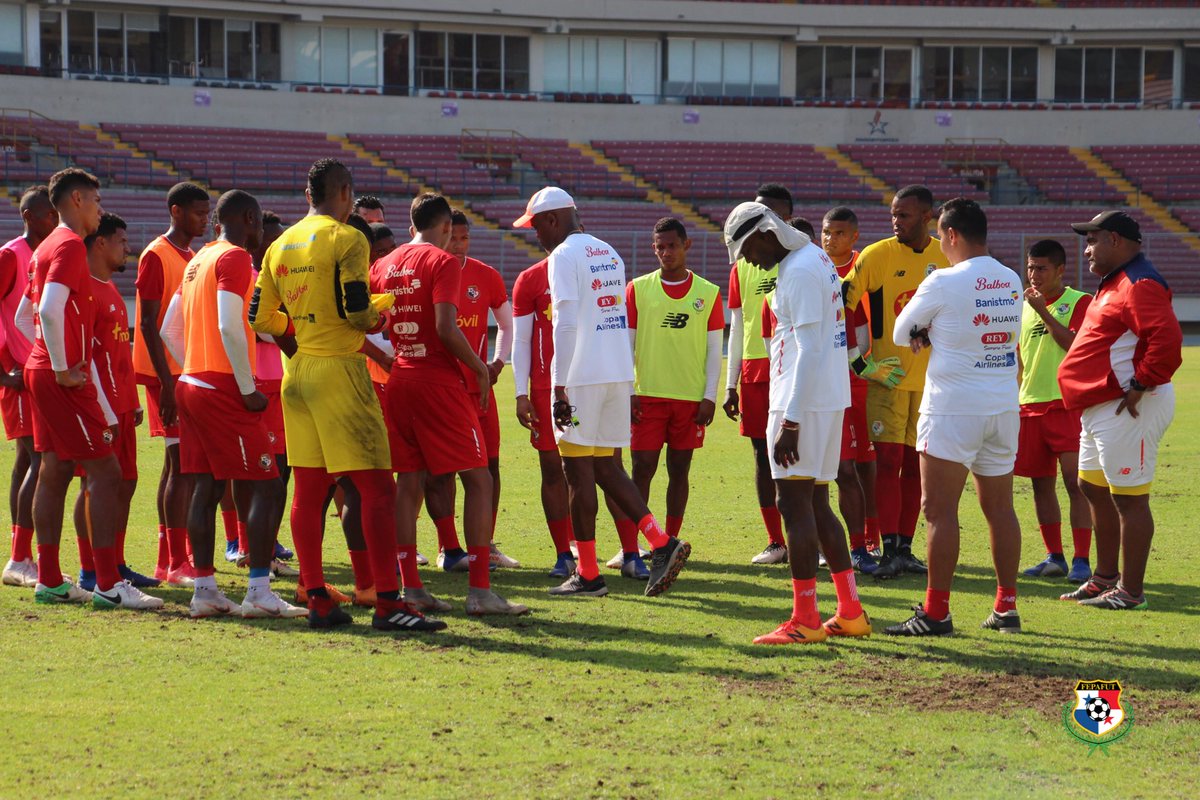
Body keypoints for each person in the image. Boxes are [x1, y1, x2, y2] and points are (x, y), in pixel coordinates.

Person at [250, 158, 425, 632]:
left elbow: (259, 318)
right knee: (377, 490)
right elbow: (357, 312)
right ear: (345, 192)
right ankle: (387, 602)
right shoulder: (347, 237)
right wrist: (382, 315)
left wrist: (302, 325)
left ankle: (317, 599)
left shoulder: (279, 244)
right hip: (339, 371)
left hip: (297, 374)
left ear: (309, 195)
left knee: (308, 491)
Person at [514, 186, 690, 598]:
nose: (536, 234)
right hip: (615, 374)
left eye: (536, 225)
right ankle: (661, 541)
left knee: (577, 475)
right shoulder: (608, 251)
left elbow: (565, 322)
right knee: (609, 469)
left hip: (581, 378)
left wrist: (559, 385)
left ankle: (588, 574)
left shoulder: (562, 255)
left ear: (553, 219)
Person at [722, 202, 869, 645]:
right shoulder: (813, 258)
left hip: (801, 403)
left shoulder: (800, 270)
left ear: (766, 233)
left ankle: (805, 618)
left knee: (793, 505)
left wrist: (791, 419)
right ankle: (850, 611)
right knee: (818, 504)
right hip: (825, 399)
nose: (747, 261)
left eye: (747, 250)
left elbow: (807, 349)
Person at [374, 193, 526, 617]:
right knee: (479, 479)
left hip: (400, 378)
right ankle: (480, 591)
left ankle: (412, 587)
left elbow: (369, 322)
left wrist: (383, 355)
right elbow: (445, 326)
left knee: (409, 482)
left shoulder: (384, 264)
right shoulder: (442, 262)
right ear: (444, 227)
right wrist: (479, 368)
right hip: (438, 382)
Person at [22, 168, 162, 610]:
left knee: (56, 470)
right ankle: (107, 582)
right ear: (77, 200)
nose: (101, 210)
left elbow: (26, 316)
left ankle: (49, 579)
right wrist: (62, 367)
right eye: (97, 201)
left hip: (41, 370)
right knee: (105, 472)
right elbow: (48, 308)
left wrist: (45, 357)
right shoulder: (66, 244)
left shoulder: (45, 247)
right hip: (61, 375)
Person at [160, 190, 303, 619]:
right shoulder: (235, 257)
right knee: (268, 485)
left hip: (192, 382)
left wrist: (194, 368)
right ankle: (258, 591)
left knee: (206, 487)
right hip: (223, 387)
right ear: (248, 219)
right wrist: (244, 386)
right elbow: (228, 323)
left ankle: (205, 590)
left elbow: (170, 330)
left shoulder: (198, 259)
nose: (261, 236)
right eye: (259, 225)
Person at [885, 198, 1023, 636]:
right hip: (1002, 405)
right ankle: (1006, 607)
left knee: (939, 511)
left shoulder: (942, 280)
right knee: (1000, 509)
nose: (940, 246)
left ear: (952, 235)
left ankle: (936, 612)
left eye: (941, 237)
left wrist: (927, 330)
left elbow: (901, 332)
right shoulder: (1011, 277)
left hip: (952, 408)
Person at [1058, 211, 1182, 610]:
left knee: (1130, 499)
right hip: (1101, 404)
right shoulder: (1115, 281)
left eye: (1092, 241)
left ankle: (1131, 592)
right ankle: (1104, 578)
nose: (1087, 250)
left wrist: (1140, 385)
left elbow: (1167, 339)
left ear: (1114, 239)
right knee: (1092, 487)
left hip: (1127, 405)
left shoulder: (1139, 282)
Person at [842, 185, 950, 579]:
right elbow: (843, 302)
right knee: (887, 463)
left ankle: (905, 547)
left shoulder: (946, 256)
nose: (895, 222)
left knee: (915, 467)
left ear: (927, 217)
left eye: (903, 215)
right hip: (888, 381)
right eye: (893, 214)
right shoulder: (876, 255)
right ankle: (887, 548)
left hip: (932, 383)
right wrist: (859, 362)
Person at [421, 209, 518, 571]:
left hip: (479, 391)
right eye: (453, 238)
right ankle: (447, 547)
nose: (458, 245)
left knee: (489, 466)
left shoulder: (485, 275)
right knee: (441, 471)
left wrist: (498, 363)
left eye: (464, 238)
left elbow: (506, 324)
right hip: (441, 389)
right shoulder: (430, 271)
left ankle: (485, 544)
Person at [626, 218, 722, 576]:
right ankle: (634, 545)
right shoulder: (638, 289)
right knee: (641, 469)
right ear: (654, 249)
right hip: (647, 396)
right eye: (660, 247)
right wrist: (628, 390)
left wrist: (709, 396)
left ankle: (670, 542)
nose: (666, 252)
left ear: (686, 246)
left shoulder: (708, 293)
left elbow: (715, 351)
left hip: (689, 399)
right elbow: (626, 345)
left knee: (679, 470)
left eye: (672, 246)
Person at [73, 213, 157, 591]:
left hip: (122, 407)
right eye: (121, 241)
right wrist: (104, 409)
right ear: (101, 243)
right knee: (93, 486)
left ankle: (116, 563)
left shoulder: (110, 289)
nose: (128, 247)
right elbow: (86, 358)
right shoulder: (84, 291)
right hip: (99, 410)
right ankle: (90, 569)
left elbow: (117, 352)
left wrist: (132, 400)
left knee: (125, 483)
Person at [134, 181, 211, 587]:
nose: (205, 219)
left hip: (185, 371)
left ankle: (170, 558)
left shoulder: (193, 256)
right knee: (181, 465)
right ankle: (176, 561)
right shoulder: (156, 254)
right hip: (168, 375)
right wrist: (166, 382)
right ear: (176, 211)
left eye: (208, 212)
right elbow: (148, 323)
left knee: (179, 464)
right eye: (198, 212)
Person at [1015, 240, 1094, 584]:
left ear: (1060, 270)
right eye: (1030, 267)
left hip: (1066, 404)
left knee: (1076, 483)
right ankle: (1054, 557)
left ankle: (1082, 559)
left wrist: (1044, 311)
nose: (1033, 275)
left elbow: (1073, 344)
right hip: (1030, 405)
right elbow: (1021, 359)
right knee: (1040, 484)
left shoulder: (1079, 301)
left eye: (1041, 268)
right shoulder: (1023, 308)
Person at [724, 183, 794, 565]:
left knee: (803, 453)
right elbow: (737, 326)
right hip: (755, 369)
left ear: (786, 217)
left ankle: (808, 536)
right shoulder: (743, 264)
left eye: (770, 213)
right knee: (762, 456)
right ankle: (776, 540)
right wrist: (730, 383)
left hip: (793, 366)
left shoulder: (799, 259)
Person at [821, 206, 884, 573]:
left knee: (864, 463)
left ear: (854, 236)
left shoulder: (864, 268)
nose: (831, 240)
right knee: (830, 468)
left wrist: (863, 366)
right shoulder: (814, 270)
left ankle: (869, 539)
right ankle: (827, 542)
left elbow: (860, 335)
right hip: (820, 386)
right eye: (827, 233)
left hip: (859, 378)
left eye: (839, 233)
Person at [0, 186, 57, 587]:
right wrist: (3, 374)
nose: (53, 220)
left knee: (27, 461)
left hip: (36, 371)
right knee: (39, 461)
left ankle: (20, 555)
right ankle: (20, 558)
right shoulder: (11, 255)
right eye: (47, 214)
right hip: (19, 374)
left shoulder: (46, 255)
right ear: (27, 216)